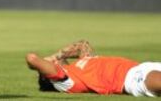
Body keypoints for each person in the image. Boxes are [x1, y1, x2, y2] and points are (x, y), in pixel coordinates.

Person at [26, 40, 161, 97]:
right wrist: (45, 63)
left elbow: (82, 45)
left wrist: (55, 56)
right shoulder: (68, 81)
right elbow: (32, 58)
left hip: (143, 66)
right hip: (131, 79)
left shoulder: (80, 63)